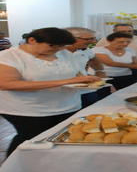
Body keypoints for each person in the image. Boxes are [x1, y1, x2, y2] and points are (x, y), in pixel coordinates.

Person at [0, 27, 102, 157]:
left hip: (68, 106)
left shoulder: (64, 53)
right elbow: (6, 84)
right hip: (28, 110)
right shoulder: (8, 57)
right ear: (32, 40)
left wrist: (88, 81)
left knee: (62, 139)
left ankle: (51, 167)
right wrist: (65, 81)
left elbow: (76, 75)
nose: (58, 49)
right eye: (53, 46)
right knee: (32, 139)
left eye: (62, 46)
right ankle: (15, 169)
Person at [65, 27, 111, 108]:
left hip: (87, 90)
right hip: (64, 92)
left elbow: (94, 59)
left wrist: (100, 71)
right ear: (70, 38)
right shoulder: (54, 52)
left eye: (93, 38)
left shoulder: (86, 50)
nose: (93, 41)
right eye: (88, 39)